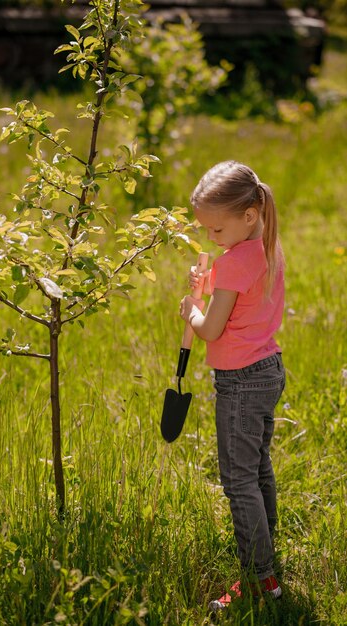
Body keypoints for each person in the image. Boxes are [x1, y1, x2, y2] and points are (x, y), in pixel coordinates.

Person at [179, 161, 286, 613]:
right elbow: (240, 297)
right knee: (257, 469)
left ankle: (261, 578)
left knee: (237, 481)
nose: (210, 239)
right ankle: (270, 564)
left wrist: (191, 309)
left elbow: (211, 329)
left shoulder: (235, 259)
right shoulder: (266, 244)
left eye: (215, 229)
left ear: (247, 214)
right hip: (267, 370)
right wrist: (212, 281)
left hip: (239, 381)